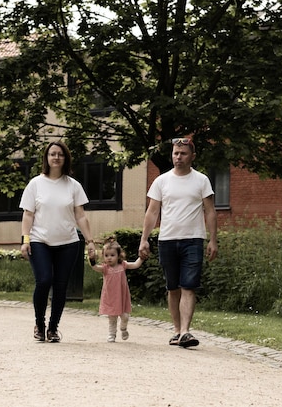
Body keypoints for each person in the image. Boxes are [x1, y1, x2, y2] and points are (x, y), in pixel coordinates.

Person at [139, 137, 218, 348]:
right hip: (167, 240)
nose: (178, 157)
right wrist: (144, 239)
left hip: (193, 240)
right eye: (175, 153)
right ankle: (176, 330)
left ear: (192, 156)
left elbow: (210, 211)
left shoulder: (201, 180)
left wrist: (213, 239)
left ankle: (185, 331)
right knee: (172, 288)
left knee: (189, 286)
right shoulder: (161, 181)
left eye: (183, 153)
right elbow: (152, 211)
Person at [19, 140, 96, 343]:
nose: (56, 157)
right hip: (39, 240)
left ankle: (53, 328)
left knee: (61, 286)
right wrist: (25, 240)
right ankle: (39, 323)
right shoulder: (35, 184)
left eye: (60, 154)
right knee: (44, 280)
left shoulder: (73, 185)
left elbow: (80, 216)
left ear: (65, 158)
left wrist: (90, 241)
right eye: (52, 154)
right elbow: (28, 214)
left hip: (68, 243)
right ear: (46, 157)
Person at [89, 237, 144, 342]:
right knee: (112, 317)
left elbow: (135, 264)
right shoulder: (105, 268)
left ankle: (123, 328)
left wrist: (141, 258)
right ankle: (111, 334)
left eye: (112, 255)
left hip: (122, 296)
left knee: (125, 316)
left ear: (119, 255)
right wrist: (92, 260)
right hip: (110, 297)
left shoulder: (123, 265)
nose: (109, 258)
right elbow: (95, 267)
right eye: (106, 255)